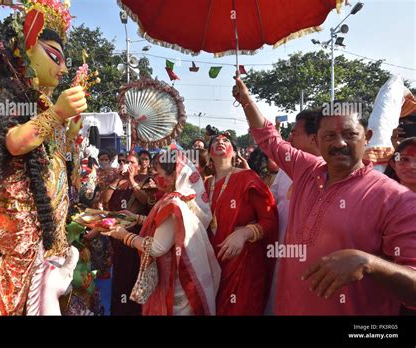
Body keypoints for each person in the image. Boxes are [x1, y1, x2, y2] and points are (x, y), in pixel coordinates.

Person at [233, 74, 416, 314]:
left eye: (350, 134)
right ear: (317, 140)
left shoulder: (396, 199)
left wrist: (370, 264)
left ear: (367, 137)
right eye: (329, 136)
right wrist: (246, 99)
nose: (339, 143)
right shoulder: (306, 169)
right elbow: (269, 138)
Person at [0, 0, 85, 315]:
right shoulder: (9, 99)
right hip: (18, 245)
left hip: (50, 243)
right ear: (25, 50)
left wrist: (68, 125)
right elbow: (14, 142)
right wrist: (58, 114)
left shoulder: (45, 104)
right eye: (54, 57)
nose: (62, 69)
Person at [99, 146, 221, 315]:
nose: (155, 177)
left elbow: (157, 247)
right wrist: (136, 218)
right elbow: (164, 226)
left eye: (158, 173)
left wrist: (124, 235)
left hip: (176, 283)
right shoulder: (180, 197)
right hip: (177, 273)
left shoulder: (174, 204)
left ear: (173, 176)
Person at [206, 132, 278, 315]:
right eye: (215, 141)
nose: (220, 142)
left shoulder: (248, 179)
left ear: (236, 154)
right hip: (212, 264)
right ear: (208, 155)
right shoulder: (204, 185)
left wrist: (244, 233)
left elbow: (270, 220)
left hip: (244, 264)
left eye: (226, 140)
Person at [265, 109, 321, 314]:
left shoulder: (333, 175)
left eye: (295, 133)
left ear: (313, 137)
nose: (289, 137)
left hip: (311, 263)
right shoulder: (284, 169)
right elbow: (270, 203)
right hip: (279, 254)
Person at [100, 153, 154, 315]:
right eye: (123, 161)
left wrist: (131, 180)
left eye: (131, 162)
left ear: (138, 166)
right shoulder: (116, 181)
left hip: (135, 236)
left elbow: (145, 201)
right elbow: (104, 200)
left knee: (133, 274)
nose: (126, 164)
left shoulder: (145, 181)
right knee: (119, 276)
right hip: (116, 235)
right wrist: (117, 180)